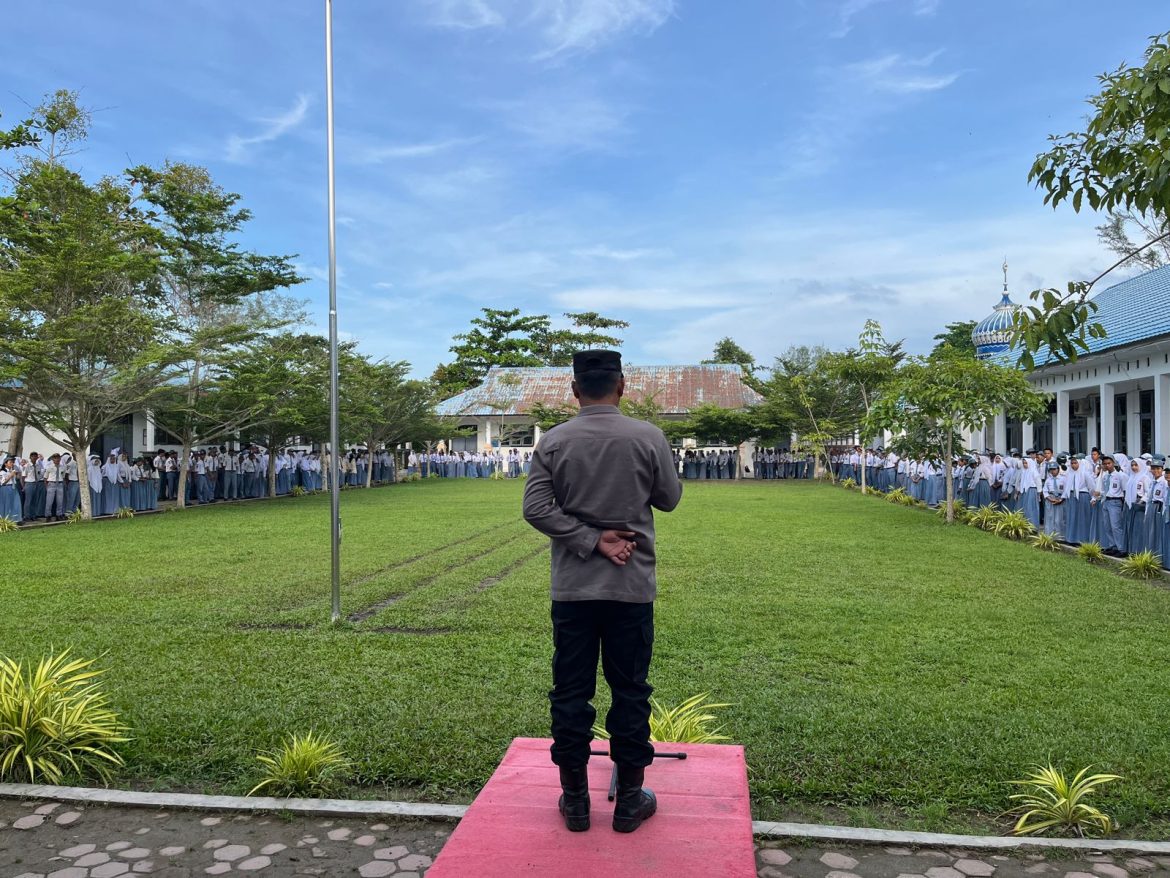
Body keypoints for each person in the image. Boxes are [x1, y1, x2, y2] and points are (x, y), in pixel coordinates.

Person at [522, 349, 682, 835]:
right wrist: (612, 527)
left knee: (570, 691)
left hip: (573, 589)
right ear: (622, 386)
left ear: (574, 390)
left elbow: (535, 509)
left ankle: (575, 803)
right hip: (630, 587)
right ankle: (630, 804)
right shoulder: (648, 437)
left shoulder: (553, 441)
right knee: (630, 690)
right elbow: (669, 499)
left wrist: (589, 539)